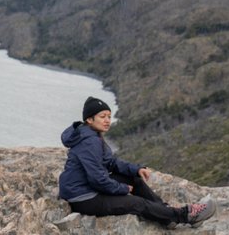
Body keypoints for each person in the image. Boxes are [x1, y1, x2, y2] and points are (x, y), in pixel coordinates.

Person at [58, 96, 216, 227]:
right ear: (89, 119)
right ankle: (185, 215)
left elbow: (110, 162)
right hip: (84, 198)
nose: (107, 120)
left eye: (109, 116)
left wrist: (135, 169)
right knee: (137, 203)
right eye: (102, 116)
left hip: (89, 188)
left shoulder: (92, 135)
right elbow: (98, 179)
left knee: (135, 180)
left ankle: (166, 216)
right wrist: (122, 188)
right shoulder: (89, 141)